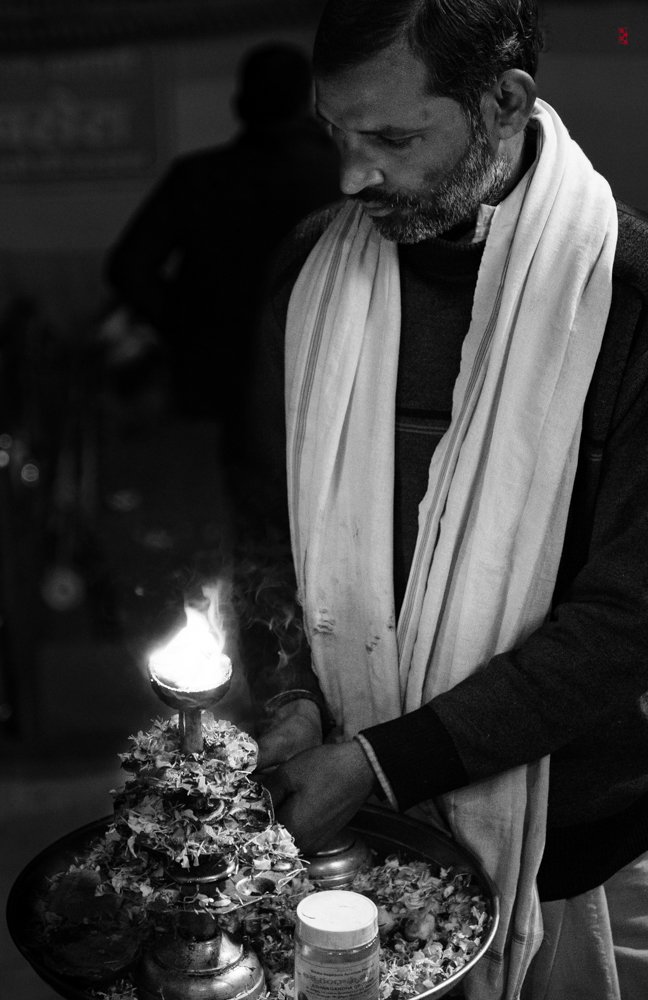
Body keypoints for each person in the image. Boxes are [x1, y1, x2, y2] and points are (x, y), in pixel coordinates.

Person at [233, 2, 648, 998]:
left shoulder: (624, 298)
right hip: (342, 836)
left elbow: (624, 619)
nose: (350, 174)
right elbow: (260, 520)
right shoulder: (310, 267)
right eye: (335, 134)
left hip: (566, 844)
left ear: (504, 103)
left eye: (392, 136)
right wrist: (288, 692)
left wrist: (382, 763)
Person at [104, 41, 340, 477]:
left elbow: (128, 268)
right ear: (309, 102)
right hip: (329, 382)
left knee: (238, 523)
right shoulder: (344, 177)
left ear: (241, 104)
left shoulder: (198, 178)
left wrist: (187, 326)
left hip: (222, 388)